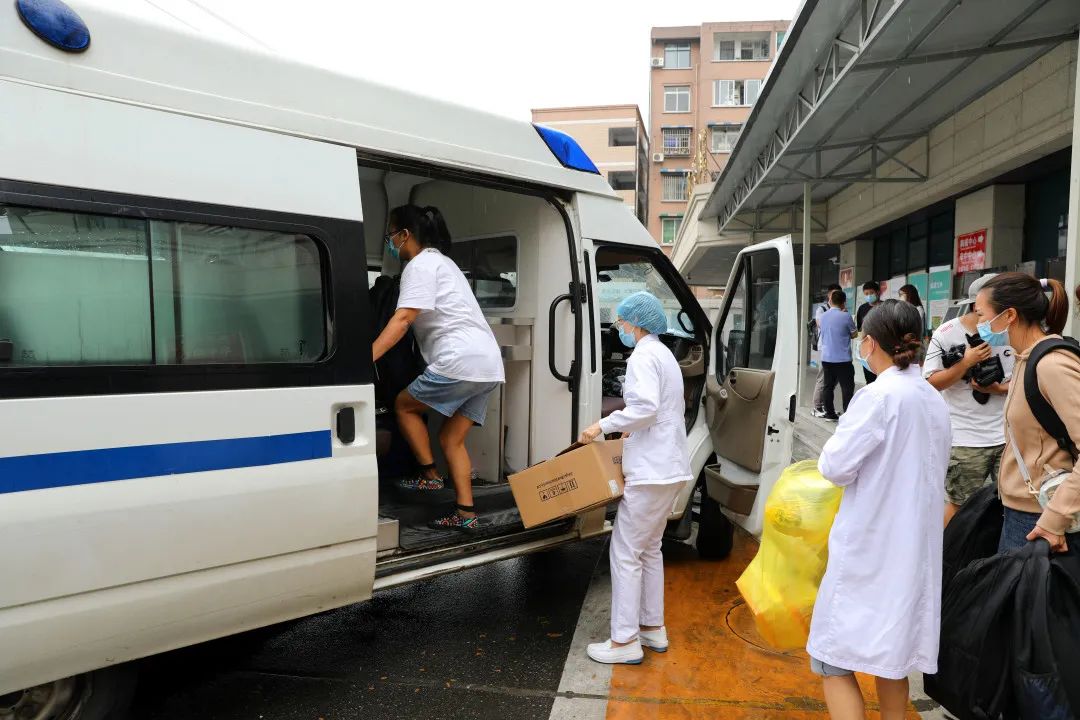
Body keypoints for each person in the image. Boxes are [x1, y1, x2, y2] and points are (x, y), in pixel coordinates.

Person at [808, 300, 951, 720]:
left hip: (871, 547)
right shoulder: (930, 396)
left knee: (833, 659)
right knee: (893, 655)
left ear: (869, 343)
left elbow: (835, 467)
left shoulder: (877, 396)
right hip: (913, 549)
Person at [372, 205, 505, 531]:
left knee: (403, 405)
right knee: (451, 439)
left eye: (391, 234)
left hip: (459, 360)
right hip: (488, 366)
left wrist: (366, 357)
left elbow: (403, 319)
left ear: (405, 234)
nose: (390, 241)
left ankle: (430, 476)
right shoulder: (446, 264)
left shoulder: (420, 266)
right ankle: (466, 514)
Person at [577, 291, 692, 665]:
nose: (620, 328)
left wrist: (602, 425)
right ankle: (651, 628)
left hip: (651, 470)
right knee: (649, 549)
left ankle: (624, 641)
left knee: (626, 552)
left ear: (635, 323)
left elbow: (644, 407)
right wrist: (632, 430)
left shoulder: (643, 356)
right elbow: (660, 409)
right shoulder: (664, 355)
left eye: (623, 322)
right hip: (669, 466)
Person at [974, 273, 1079, 554]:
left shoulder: (1052, 364)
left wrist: (1055, 519)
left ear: (1009, 315)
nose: (978, 325)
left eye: (981, 315)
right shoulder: (1024, 359)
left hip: (1042, 520)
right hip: (1022, 511)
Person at [924, 274, 1014, 526]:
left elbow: (1029, 379)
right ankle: (947, 560)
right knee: (960, 507)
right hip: (965, 439)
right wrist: (965, 363)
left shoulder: (1012, 331)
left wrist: (998, 389)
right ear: (977, 306)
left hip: (1008, 438)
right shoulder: (946, 333)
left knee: (1010, 506)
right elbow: (930, 382)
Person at [818, 289, 857, 421]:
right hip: (843, 359)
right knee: (847, 388)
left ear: (830, 301)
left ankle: (830, 414)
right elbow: (854, 334)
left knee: (828, 386)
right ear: (844, 303)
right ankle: (848, 414)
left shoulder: (822, 317)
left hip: (827, 358)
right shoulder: (846, 316)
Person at [812, 283, 844, 418]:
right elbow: (820, 324)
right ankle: (816, 407)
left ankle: (827, 405)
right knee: (823, 377)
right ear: (829, 295)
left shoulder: (843, 310)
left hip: (838, 349)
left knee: (833, 379)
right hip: (825, 348)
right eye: (833, 294)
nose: (835, 296)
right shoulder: (822, 309)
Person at [856, 281, 882, 384]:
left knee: (881, 377)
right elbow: (860, 329)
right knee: (869, 379)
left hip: (881, 346)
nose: (869, 296)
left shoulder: (885, 306)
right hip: (867, 348)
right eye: (866, 294)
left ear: (878, 292)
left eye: (871, 293)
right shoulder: (862, 308)